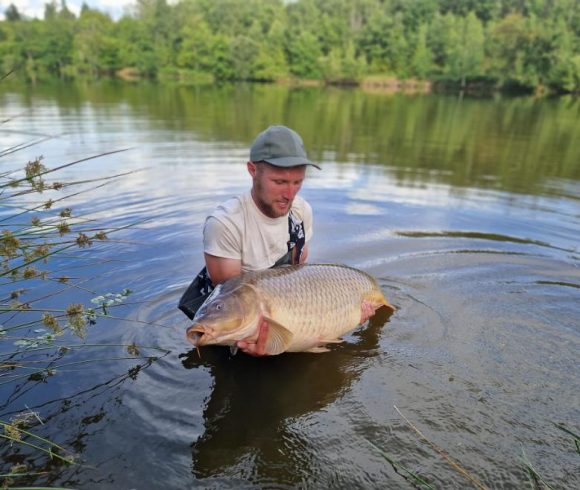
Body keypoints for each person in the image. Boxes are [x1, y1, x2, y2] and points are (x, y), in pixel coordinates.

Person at [179, 125, 374, 356]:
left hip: (281, 320)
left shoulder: (300, 212)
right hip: (235, 337)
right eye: (280, 182)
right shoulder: (225, 224)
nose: (289, 194)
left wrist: (340, 315)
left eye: (297, 182)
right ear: (252, 170)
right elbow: (230, 296)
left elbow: (298, 278)